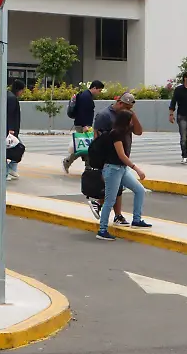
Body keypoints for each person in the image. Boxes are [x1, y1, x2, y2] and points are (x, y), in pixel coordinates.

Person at [91, 109, 152, 240]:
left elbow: (139, 131)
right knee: (110, 200)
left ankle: (136, 220)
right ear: (126, 121)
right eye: (131, 120)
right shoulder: (116, 134)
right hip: (113, 169)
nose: (132, 123)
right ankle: (102, 230)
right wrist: (137, 169)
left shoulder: (124, 132)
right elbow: (121, 155)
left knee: (140, 190)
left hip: (121, 169)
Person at [89, 92, 143, 224]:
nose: (128, 110)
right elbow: (98, 139)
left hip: (121, 160)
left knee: (118, 189)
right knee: (113, 192)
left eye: (130, 108)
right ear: (119, 103)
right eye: (126, 107)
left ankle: (112, 212)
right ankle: (105, 219)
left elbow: (138, 132)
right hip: (110, 160)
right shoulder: (105, 115)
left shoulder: (127, 117)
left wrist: (133, 115)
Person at [62, 80, 103, 173]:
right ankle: (69, 162)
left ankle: (87, 166)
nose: (99, 93)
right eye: (99, 90)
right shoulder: (86, 97)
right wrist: (85, 125)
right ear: (94, 88)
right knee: (84, 147)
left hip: (83, 124)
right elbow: (82, 112)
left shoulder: (86, 95)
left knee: (85, 147)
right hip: (83, 125)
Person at [0, 80, 25, 181]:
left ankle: (6, 171)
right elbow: (9, 114)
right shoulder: (11, 98)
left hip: (6, 129)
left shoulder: (9, 96)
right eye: (22, 90)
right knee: (18, 148)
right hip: (8, 130)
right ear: (19, 89)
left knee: (6, 151)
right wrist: (11, 129)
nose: (22, 93)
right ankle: (5, 171)